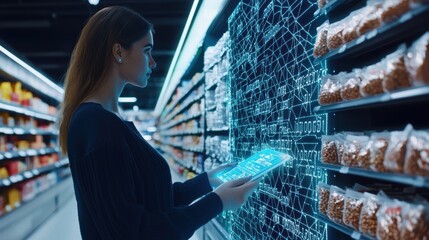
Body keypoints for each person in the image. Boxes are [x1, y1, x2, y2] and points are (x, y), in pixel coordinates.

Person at [58, 6, 259, 240]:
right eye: (146, 51)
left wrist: (208, 181)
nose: (153, 62)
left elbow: (149, 198)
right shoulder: (96, 124)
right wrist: (217, 202)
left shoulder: (107, 120)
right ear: (118, 52)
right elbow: (134, 232)